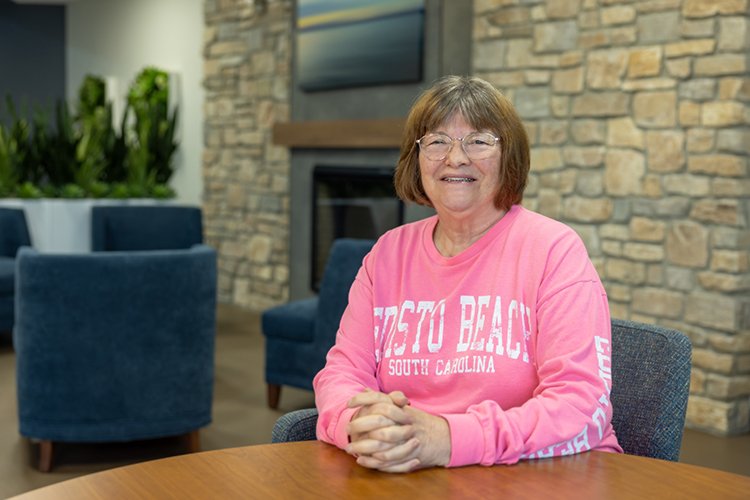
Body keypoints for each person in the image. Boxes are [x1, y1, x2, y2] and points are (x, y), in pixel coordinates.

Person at [313, 75, 622, 473]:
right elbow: (343, 371)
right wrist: (359, 425)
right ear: (417, 158)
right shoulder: (387, 254)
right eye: (437, 141)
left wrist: (447, 438)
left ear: (508, 156)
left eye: (478, 141)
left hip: (543, 475)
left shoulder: (554, 251)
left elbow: (581, 405)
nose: (456, 158)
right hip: (413, 473)